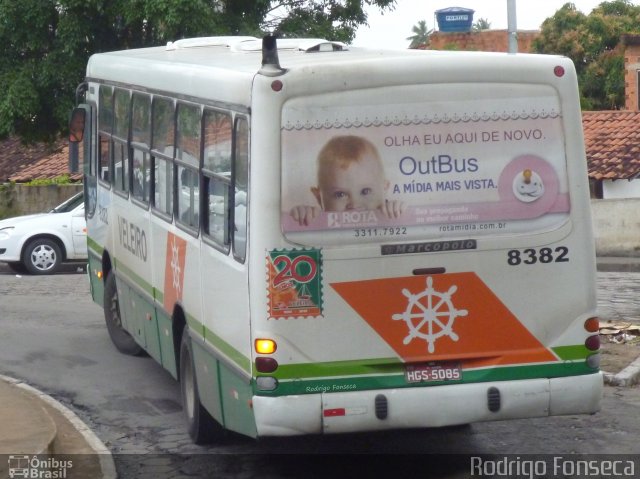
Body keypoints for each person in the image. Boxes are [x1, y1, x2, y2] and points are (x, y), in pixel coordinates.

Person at [290, 135, 404, 226]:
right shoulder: (316, 220)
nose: (354, 204)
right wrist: (302, 215)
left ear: (384, 189)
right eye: (340, 194)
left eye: (365, 191)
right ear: (319, 197)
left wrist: (397, 210)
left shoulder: (388, 215)